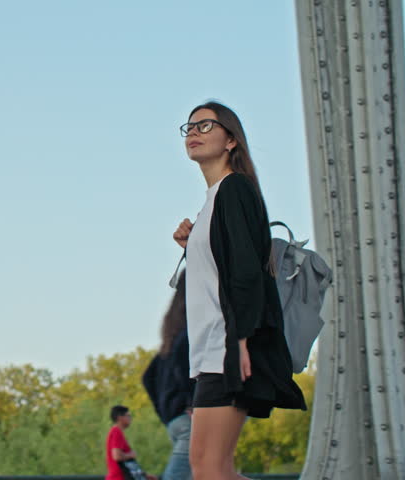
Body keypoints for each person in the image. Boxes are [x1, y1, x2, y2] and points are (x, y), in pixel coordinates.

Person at [173, 101, 306, 479]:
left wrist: (241, 340)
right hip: (215, 349)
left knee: (208, 468)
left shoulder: (234, 190)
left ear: (231, 140)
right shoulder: (216, 198)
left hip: (227, 348)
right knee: (214, 467)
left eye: (206, 126)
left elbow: (247, 274)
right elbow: (225, 267)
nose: (194, 133)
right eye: (189, 127)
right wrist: (193, 244)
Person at [142, 270, 194, 480]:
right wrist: (193, 403)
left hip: (174, 420)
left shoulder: (172, 333)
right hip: (188, 421)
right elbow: (183, 365)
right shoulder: (189, 332)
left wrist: (166, 410)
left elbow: (148, 377)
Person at [104, 406, 157, 480]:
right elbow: (117, 456)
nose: (130, 418)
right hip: (118, 477)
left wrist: (144, 475)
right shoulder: (116, 431)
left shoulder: (116, 432)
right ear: (120, 418)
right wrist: (131, 454)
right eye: (128, 416)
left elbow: (128, 464)